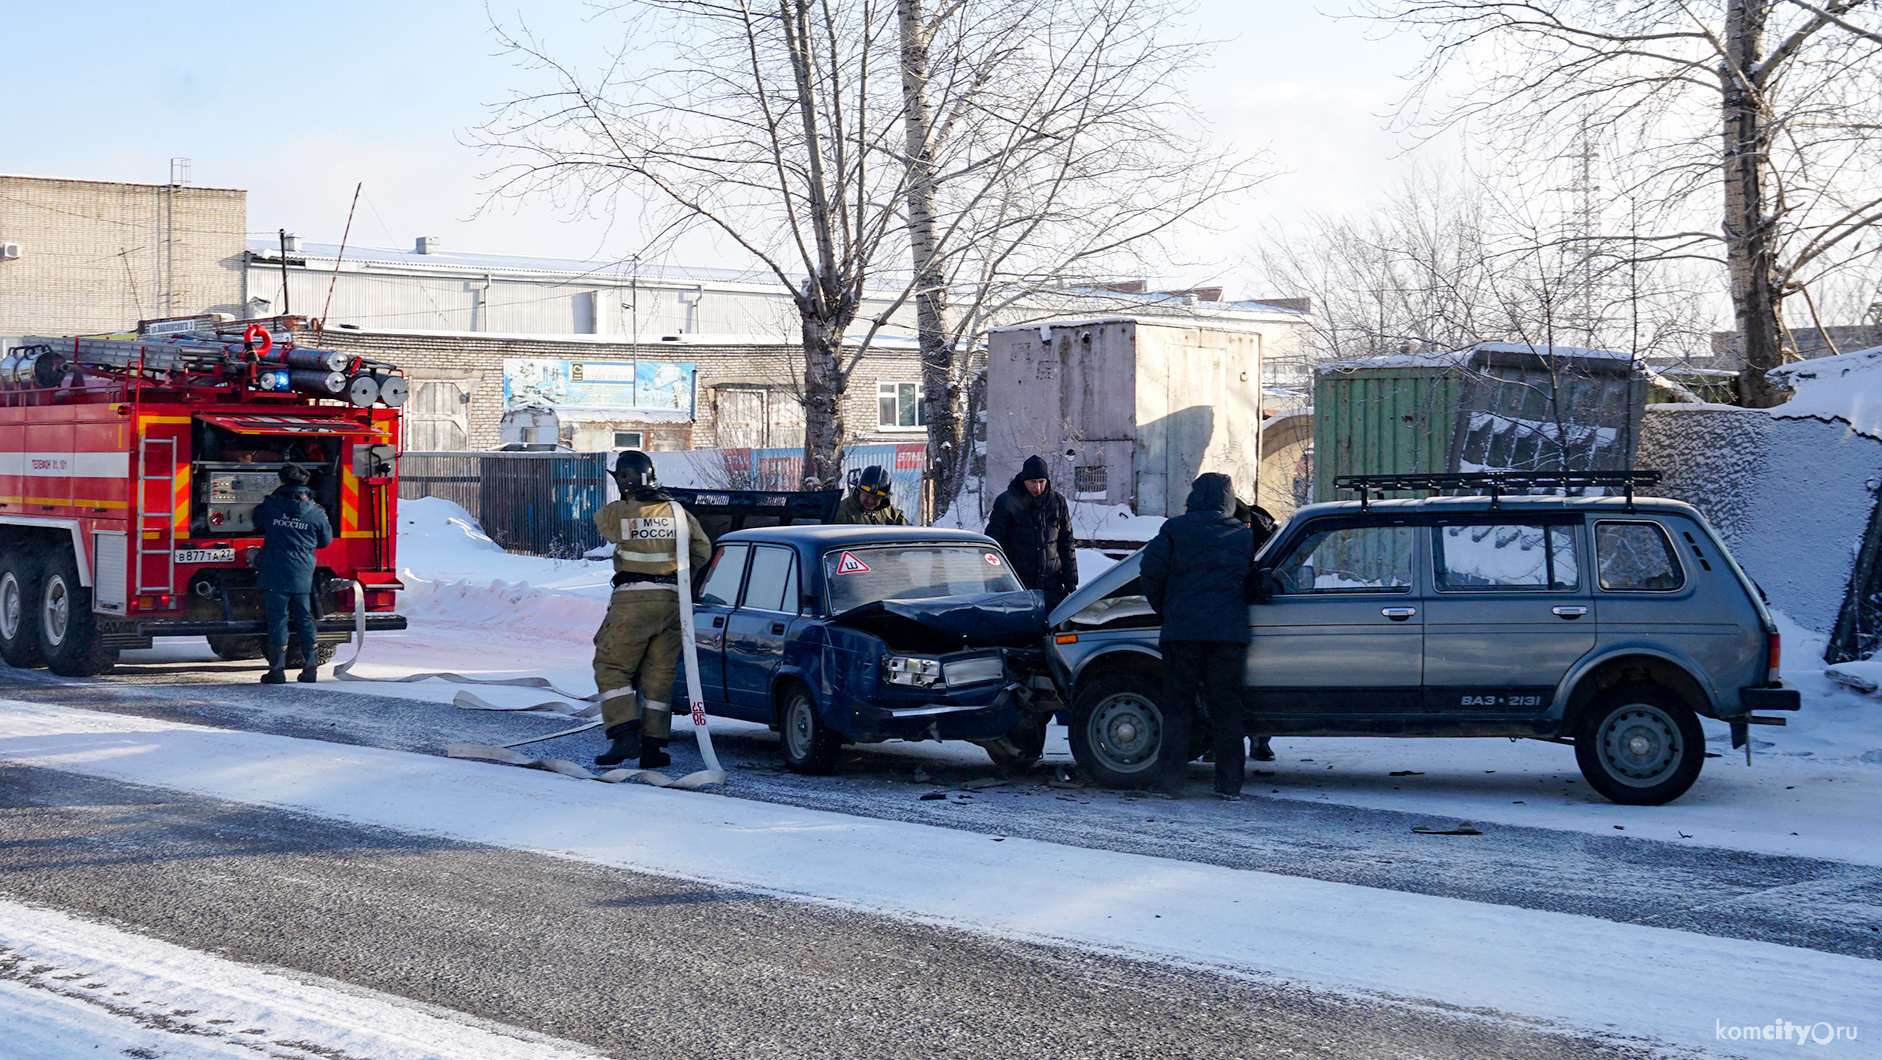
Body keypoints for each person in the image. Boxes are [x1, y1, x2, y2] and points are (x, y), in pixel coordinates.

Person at [1139, 472, 1256, 799]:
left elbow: (1150, 571)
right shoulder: (1243, 535)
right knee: (1227, 709)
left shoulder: (1175, 529)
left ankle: (1170, 782)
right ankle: (1229, 784)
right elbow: (1253, 579)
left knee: (1177, 709)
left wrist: (1166, 608)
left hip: (1182, 633)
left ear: (1195, 496)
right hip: (1227, 637)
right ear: (1228, 500)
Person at [592, 450, 711, 769]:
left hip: (633, 601)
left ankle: (624, 735)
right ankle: (653, 749)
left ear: (626, 479)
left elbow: (603, 523)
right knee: (659, 676)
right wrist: (683, 574)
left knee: (611, 665)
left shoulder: (618, 512)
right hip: (673, 603)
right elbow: (703, 549)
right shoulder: (678, 512)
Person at [254, 463, 333, 685]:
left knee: (278, 619)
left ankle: (277, 670)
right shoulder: (317, 512)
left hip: (274, 570)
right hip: (302, 571)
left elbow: (256, 522)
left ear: (282, 482)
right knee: (305, 618)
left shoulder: (271, 507)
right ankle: (310, 669)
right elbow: (325, 542)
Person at [985, 455, 1077, 609]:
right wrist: (997, 581)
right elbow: (993, 545)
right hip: (1017, 583)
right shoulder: (1007, 502)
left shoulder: (1057, 502)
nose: (1038, 487)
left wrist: (1071, 580)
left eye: (1041, 481)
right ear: (1024, 481)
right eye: (1033, 482)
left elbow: (1066, 542)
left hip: (1051, 583)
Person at [1233, 496, 1280, 764]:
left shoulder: (1261, 535)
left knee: (1251, 679)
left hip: (1256, 610)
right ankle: (1259, 742)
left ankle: (1260, 739)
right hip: (1246, 610)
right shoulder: (1260, 530)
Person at [833, 465, 909, 525]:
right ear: (858, 491)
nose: (870, 500)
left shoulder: (890, 514)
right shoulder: (841, 513)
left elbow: (906, 536)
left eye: (876, 498)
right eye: (867, 495)